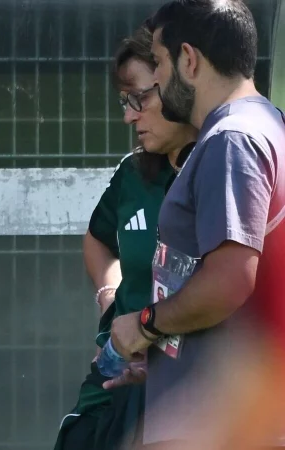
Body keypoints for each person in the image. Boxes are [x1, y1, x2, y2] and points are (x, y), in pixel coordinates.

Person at [108, 1, 285, 448]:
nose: (157, 78)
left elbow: (230, 281)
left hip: (226, 422)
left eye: (159, 62)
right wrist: (168, 358)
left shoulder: (232, 140)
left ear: (188, 59)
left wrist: (145, 324)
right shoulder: (266, 125)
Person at [54, 24, 197, 450]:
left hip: (191, 388)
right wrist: (109, 297)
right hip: (117, 373)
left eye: (140, 98)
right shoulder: (132, 173)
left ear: (179, 82)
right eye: (125, 101)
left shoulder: (222, 171)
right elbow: (98, 239)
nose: (129, 115)